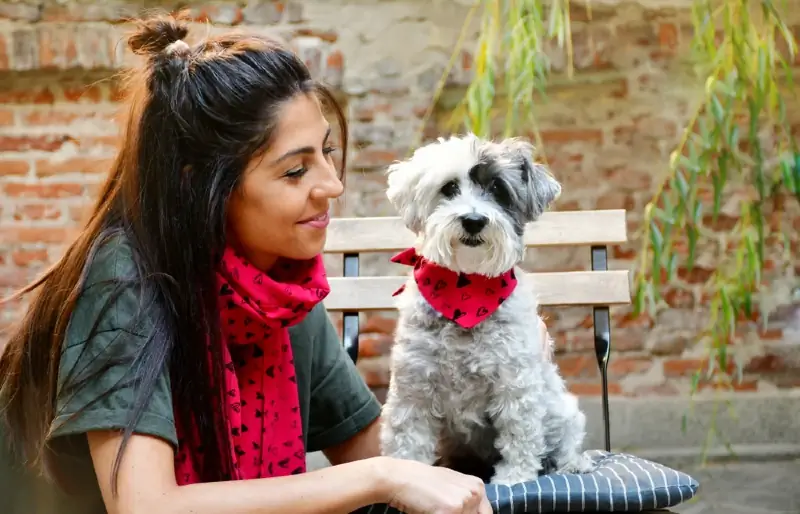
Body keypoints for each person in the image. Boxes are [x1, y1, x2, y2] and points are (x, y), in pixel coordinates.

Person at [0, 11, 551, 514]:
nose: (332, 186)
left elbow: (367, 445)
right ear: (202, 187)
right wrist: (383, 476)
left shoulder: (280, 284)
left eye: (327, 153)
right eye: (294, 172)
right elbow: (147, 506)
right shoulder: (127, 281)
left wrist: (492, 383)